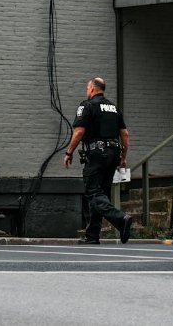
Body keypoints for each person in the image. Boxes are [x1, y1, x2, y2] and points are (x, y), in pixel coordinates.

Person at [64, 77, 132, 244]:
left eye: (87, 89)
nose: (86, 92)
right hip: (113, 154)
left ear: (92, 89)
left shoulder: (87, 105)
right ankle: (92, 236)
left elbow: (79, 132)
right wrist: (123, 158)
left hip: (96, 154)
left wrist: (69, 152)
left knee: (93, 193)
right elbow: (125, 135)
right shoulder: (114, 108)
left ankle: (120, 218)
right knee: (101, 194)